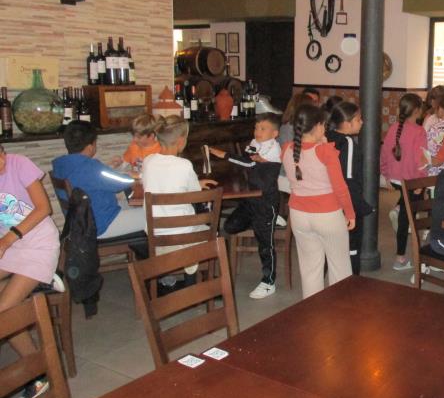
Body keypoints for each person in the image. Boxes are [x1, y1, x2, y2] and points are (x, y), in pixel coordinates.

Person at [0, 146, 62, 398]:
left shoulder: (19, 163)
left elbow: (43, 208)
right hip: (10, 246)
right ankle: (41, 282)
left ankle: (40, 375)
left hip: (39, 246)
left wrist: (8, 239)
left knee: (3, 313)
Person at [282, 103, 355, 298]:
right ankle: (341, 311)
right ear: (317, 126)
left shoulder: (287, 149)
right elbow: (340, 188)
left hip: (298, 215)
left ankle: (312, 311)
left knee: (310, 270)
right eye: (323, 125)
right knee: (340, 268)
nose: (326, 129)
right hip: (327, 215)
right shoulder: (326, 151)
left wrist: (320, 141)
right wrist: (350, 213)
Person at [210, 113, 282, 299]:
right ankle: (270, 220)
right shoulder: (255, 142)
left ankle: (269, 282)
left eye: (263, 129)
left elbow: (249, 163)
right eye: (256, 128)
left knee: (265, 244)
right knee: (230, 226)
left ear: (275, 133)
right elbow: (249, 157)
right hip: (250, 199)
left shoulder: (274, 148)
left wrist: (224, 154)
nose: (258, 131)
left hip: (265, 201)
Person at [142, 116, 218, 290]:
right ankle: (191, 261)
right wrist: (198, 184)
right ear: (181, 141)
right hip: (184, 231)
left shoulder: (148, 161)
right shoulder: (184, 165)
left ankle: (177, 258)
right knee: (213, 230)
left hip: (156, 234)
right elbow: (194, 194)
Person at [53, 120, 145, 239]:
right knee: (155, 214)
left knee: (138, 205)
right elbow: (122, 183)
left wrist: (108, 169)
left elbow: (94, 178)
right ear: (90, 147)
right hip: (101, 223)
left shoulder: (61, 165)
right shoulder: (90, 167)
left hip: (83, 221)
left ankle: (141, 246)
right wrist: (138, 175)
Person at [380, 93, 427, 271]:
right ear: (417, 110)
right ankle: (400, 259)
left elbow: (384, 153)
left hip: (395, 178)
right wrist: (421, 182)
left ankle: (399, 207)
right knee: (407, 220)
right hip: (411, 180)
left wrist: (386, 175)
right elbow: (421, 160)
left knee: (405, 209)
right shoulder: (419, 131)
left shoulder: (393, 128)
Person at [326, 101, 373, 275]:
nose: (362, 122)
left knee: (331, 246)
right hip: (347, 203)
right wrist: (360, 207)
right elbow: (349, 178)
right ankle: (352, 281)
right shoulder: (348, 143)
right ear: (347, 123)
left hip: (329, 201)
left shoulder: (327, 136)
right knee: (352, 246)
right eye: (358, 119)